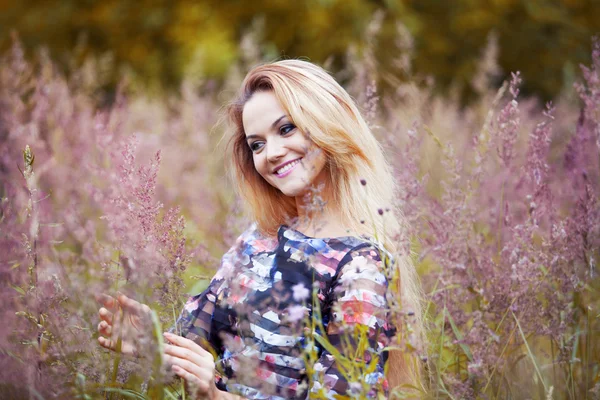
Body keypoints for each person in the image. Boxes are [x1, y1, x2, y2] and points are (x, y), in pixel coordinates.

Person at [96, 60, 424, 399]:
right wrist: (151, 344)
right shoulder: (257, 241)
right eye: (257, 145)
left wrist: (216, 396)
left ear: (326, 123)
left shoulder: (360, 265)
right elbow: (196, 341)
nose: (273, 153)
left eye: (285, 129)